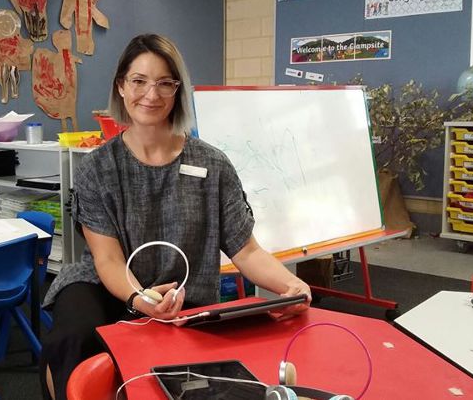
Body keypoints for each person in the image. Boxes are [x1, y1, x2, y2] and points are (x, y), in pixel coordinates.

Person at [39, 34, 311, 400]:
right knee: (73, 335)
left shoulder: (212, 164)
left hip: (185, 292)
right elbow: (107, 259)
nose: (151, 94)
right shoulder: (97, 168)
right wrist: (140, 298)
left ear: (177, 91)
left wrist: (290, 287)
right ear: (121, 86)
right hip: (107, 286)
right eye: (139, 81)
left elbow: (246, 251)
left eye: (164, 83)